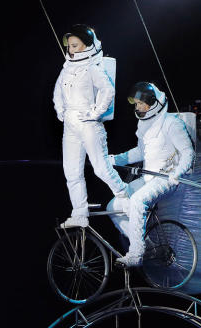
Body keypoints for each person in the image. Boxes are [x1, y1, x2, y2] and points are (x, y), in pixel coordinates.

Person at [108, 81, 195, 266]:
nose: (138, 107)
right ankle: (146, 245)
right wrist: (115, 159)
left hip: (167, 178)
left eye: (141, 104)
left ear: (152, 103)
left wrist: (177, 173)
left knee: (138, 201)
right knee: (113, 206)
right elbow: (140, 152)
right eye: (136, 104)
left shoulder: (171, 123)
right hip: (149, 178)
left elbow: (188, 152)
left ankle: (136, 255)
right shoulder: (145, 125)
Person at [53, 24, 130, 229]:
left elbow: (107, 90)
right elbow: (58, 90)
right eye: (69, 46)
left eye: (75, 45)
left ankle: (124, 194)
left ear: (86, 46)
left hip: (88, 123)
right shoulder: (67, 67)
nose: (71, 49)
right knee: (71, 171)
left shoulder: (92, 67)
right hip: (70, 124)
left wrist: (95, 113)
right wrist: (60, 109)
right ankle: (79, 212)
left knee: (100, 167)